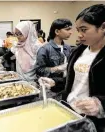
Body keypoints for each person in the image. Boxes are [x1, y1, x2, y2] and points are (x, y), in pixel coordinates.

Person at [42, 4, 105, 132]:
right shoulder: (78, 52)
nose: (79, 35)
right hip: (69, 109)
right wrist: (55, 82)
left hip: (92, 120)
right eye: (78, 30)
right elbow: (74, 81)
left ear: (103, 27)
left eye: (84, 29)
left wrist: (101, 104)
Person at [35, 19, 72, 94]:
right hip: (50, 88)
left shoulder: (68, 48)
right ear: (57, 32)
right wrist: (57, 68)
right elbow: (39, 70)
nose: (71, 32)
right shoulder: (44, 49)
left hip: (66, 86)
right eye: (67, 29)